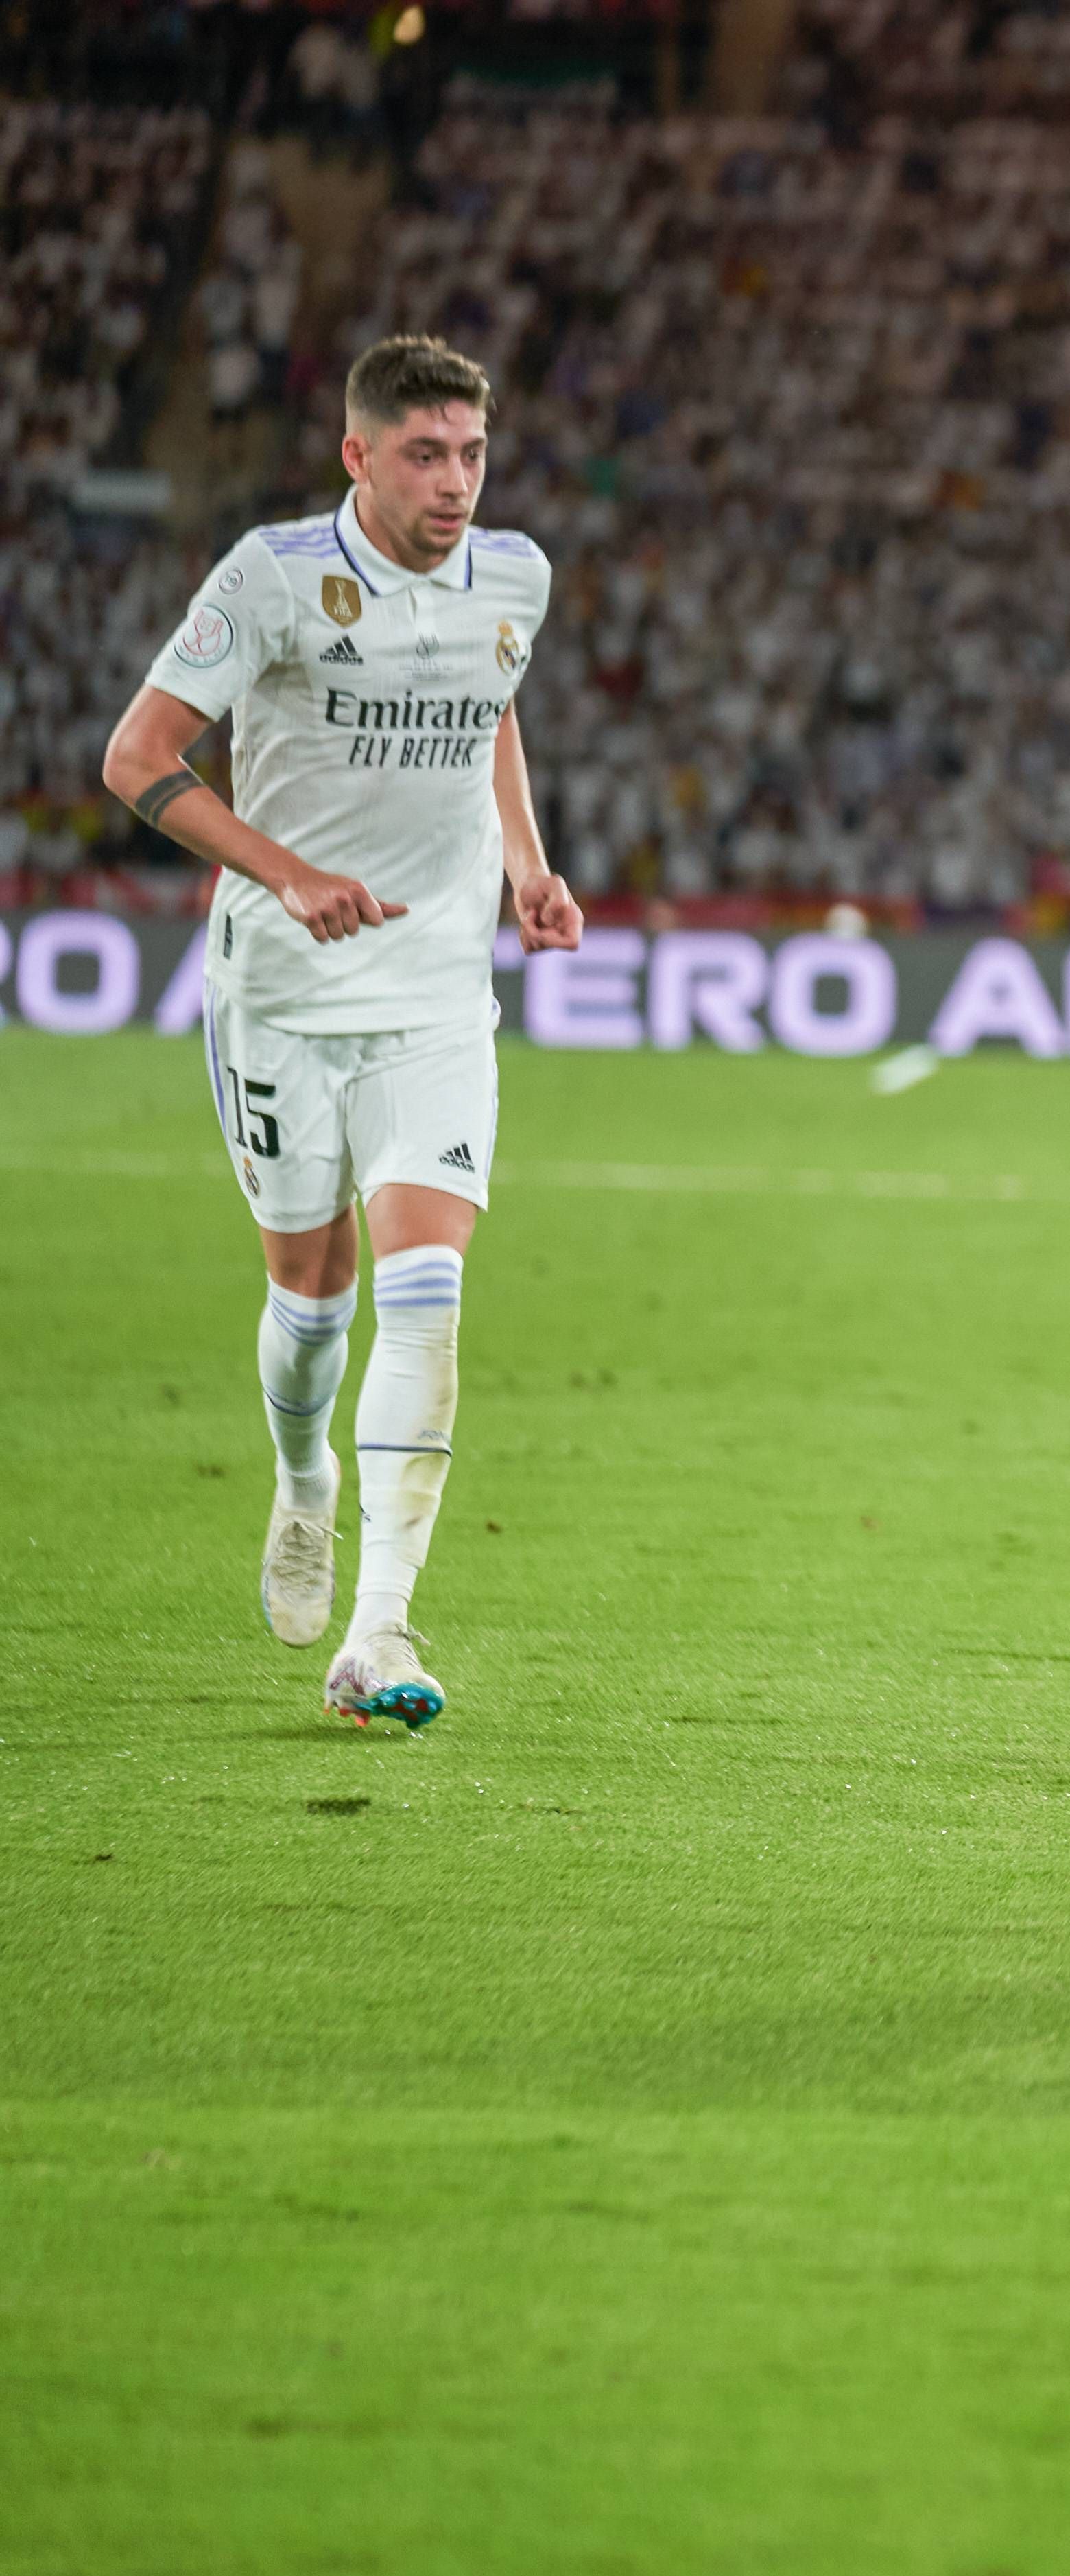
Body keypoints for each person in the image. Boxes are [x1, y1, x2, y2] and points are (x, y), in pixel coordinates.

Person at [98, 333, 576, 1729]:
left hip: (433, 995)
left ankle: (379, 1629)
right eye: (426, 453)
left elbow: (490, 708)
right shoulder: (270, 580)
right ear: (357, 455)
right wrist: (283, 869)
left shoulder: (514, 578)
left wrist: (529, 865)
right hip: (286, 1000)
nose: (456, 482)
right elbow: (137, 761)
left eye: (473, 453)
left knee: (426, 1288)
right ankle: (303, 1478)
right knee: (312, 1302)